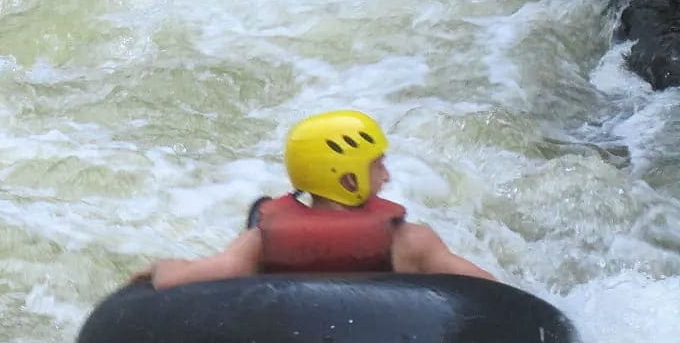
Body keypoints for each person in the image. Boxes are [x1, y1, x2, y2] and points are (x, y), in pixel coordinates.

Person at [133, 109, 495, 290]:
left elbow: (198, 276)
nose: (386, 176)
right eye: (377, 166)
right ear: (349, 177)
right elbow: (488, 290)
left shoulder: (262, 240)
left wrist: (159, 269)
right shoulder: (411, 242)